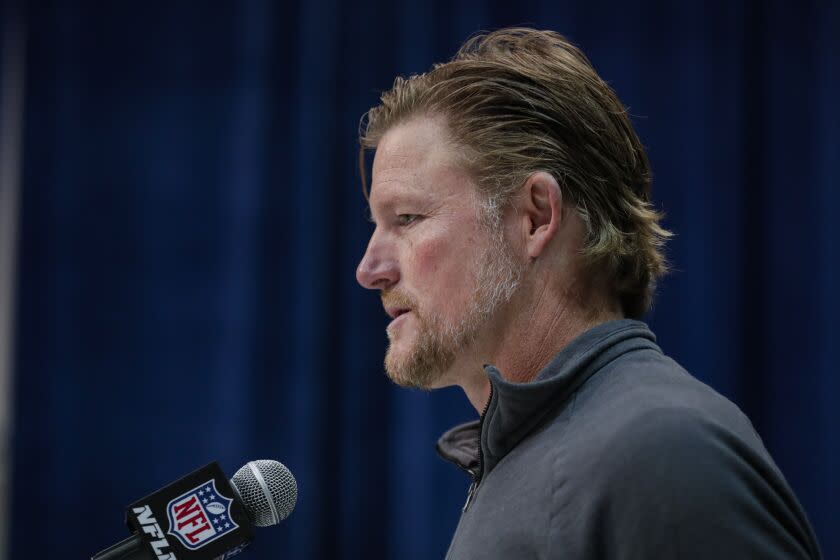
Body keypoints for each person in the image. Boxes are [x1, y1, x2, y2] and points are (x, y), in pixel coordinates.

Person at [355, 27, 822, 559]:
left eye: (407, 218)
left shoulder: (663, 453)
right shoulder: (529, 459)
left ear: (535, 217)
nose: (369, 269)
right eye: (376, 225)